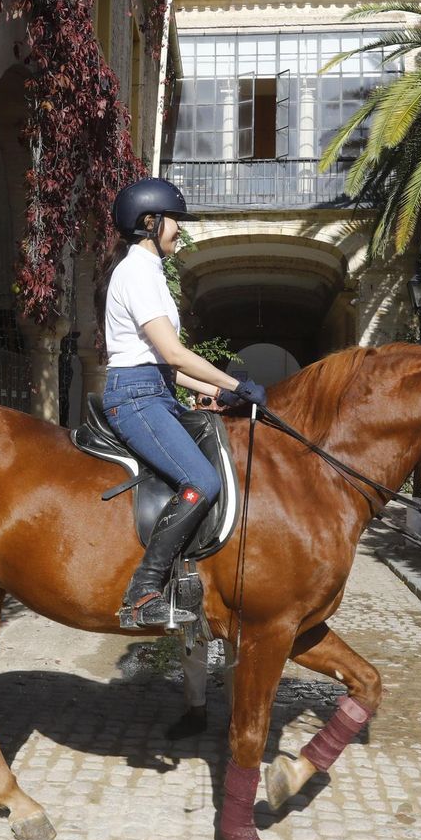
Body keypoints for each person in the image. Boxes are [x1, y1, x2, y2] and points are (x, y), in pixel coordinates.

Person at [101, 177, 267, 629]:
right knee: (201, 480)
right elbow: (173, 354)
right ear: (150, 223)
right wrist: (233, 381)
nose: (180, 230)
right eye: (175, 221)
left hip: (155, 390)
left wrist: (223, 393)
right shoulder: (136, 272)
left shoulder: (151, 272)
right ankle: (144, 591)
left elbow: (169, 367)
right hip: (135, 398)